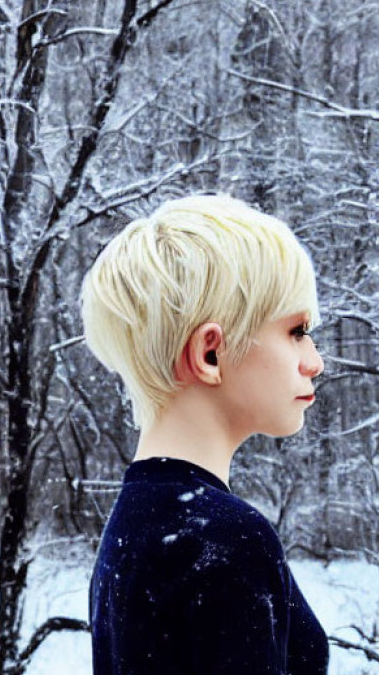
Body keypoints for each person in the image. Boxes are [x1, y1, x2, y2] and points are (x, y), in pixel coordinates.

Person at [80, 193, 330, 675]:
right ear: (210, 354)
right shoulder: (226, 539)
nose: (314, 361)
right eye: (296, 331)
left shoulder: (132, 525)